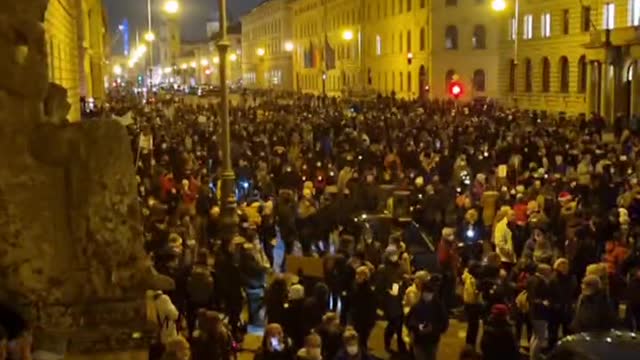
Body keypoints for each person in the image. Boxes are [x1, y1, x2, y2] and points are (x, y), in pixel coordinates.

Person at [406, 278, 449, 360]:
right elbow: (409, 321)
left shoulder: (438, 306)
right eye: (426, 292)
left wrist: (433, 328)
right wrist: (419, 327)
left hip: (433, 341)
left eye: (430, 292)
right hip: (419, 341)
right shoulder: (417, 306)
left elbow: (444, 323)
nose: (428, 295)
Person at [375, 246, 408, 354]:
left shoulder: (401, 266)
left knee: (400, 323)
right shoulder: (383, 269)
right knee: (394, 323)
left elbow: (406, 279)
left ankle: (400, 343)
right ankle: (388, 342)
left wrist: (403, 284)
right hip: (389, 301)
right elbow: (379, 287)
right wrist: (387, 291)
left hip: (401, 298)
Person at [548, 258, 577, 349]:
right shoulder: (553, 279)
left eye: (566, 265)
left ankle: (566, 348)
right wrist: (553, 304)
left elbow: (574, 291)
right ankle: (552, 349)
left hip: (567, 307)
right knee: (553, 331)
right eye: (563, 266)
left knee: (567, 331)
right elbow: (549, 293)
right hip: (555, 308)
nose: (565, 268)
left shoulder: (571, 278)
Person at [527, 263, 553, 360]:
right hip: (539, 312)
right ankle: (534, 357)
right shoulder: (540, 282)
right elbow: (536, 298)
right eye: (549, 271)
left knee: (535, 335)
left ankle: (532, 354)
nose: (550, 273)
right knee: (540, 338)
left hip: (532, 311)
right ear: (543, 271)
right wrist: (544, 303)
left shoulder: (531, 279)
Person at [349, 266, 377, 351]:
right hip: (358, 317)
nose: (357, 277)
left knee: (362, 339)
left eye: (359, 275)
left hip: (364, 319)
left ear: (365, 277)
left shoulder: (368, 290)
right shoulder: (356, 286)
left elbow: (371, 306)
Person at [462, 261, 482, 347]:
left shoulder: (467, 276)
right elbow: (475, 293)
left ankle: (469, 344)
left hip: (467, 303)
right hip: (473, 304)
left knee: (471, 325)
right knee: (473, 326)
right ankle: (470, 344)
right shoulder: (473, 281)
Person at [283, 284, 307, 350]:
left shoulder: (290, 309)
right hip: (303, 336)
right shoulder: (306, 305)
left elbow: (286, 324)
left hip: (292, 337)